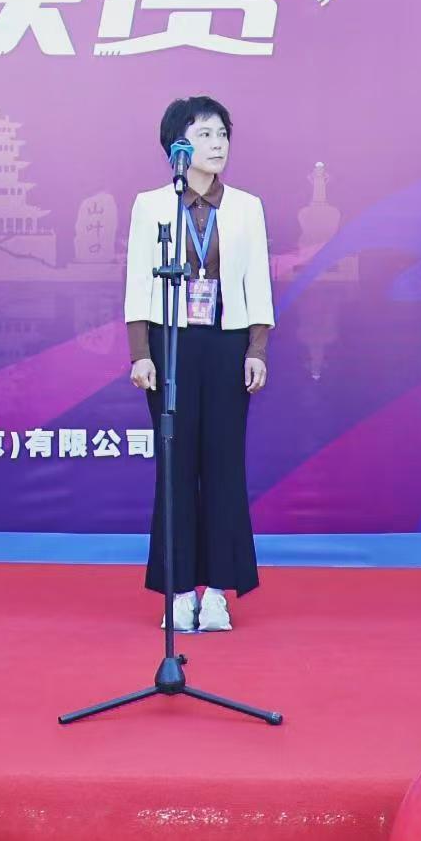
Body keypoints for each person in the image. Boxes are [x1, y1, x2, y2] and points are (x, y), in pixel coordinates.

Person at [125, 95, 273, 632]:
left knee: (224, 466)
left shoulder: (247, 206)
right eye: (205, 135)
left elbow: (258, 280)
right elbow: (138, 280)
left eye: (222, 134)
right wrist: (140, 353)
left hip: (227, 342)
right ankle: (179, 588)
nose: (218, 144)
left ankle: (217, 593)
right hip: (170, 344)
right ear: (178, 147)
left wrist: (257, 349)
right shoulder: (152, 205)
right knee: (176, 466)